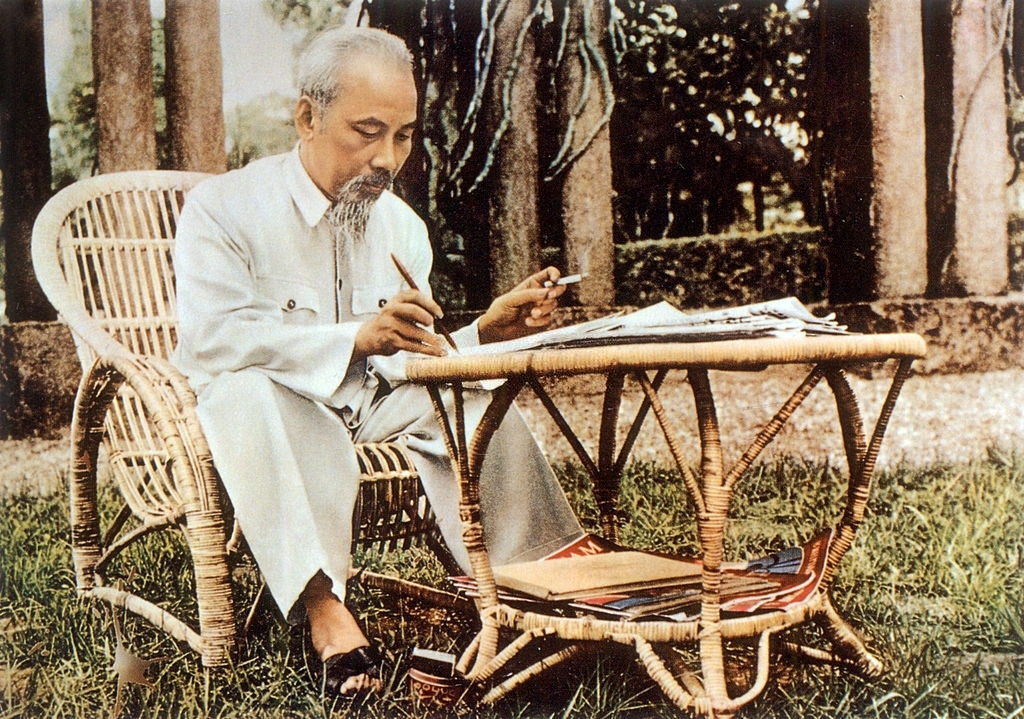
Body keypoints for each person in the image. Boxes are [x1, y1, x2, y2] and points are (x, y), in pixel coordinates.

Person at [171, 26, 584, 696]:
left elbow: (404, 361)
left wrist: (481, 331)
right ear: (307, 117)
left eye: (404, 135)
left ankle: (536, 590)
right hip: (269, 413)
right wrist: (355, 338)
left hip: (369, 407)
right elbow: (212, 342)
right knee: (247, 392)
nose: (388, 159)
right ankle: (325, 610)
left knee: (477, 399)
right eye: (367, 132)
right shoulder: (223, 210)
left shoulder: (401, 227)